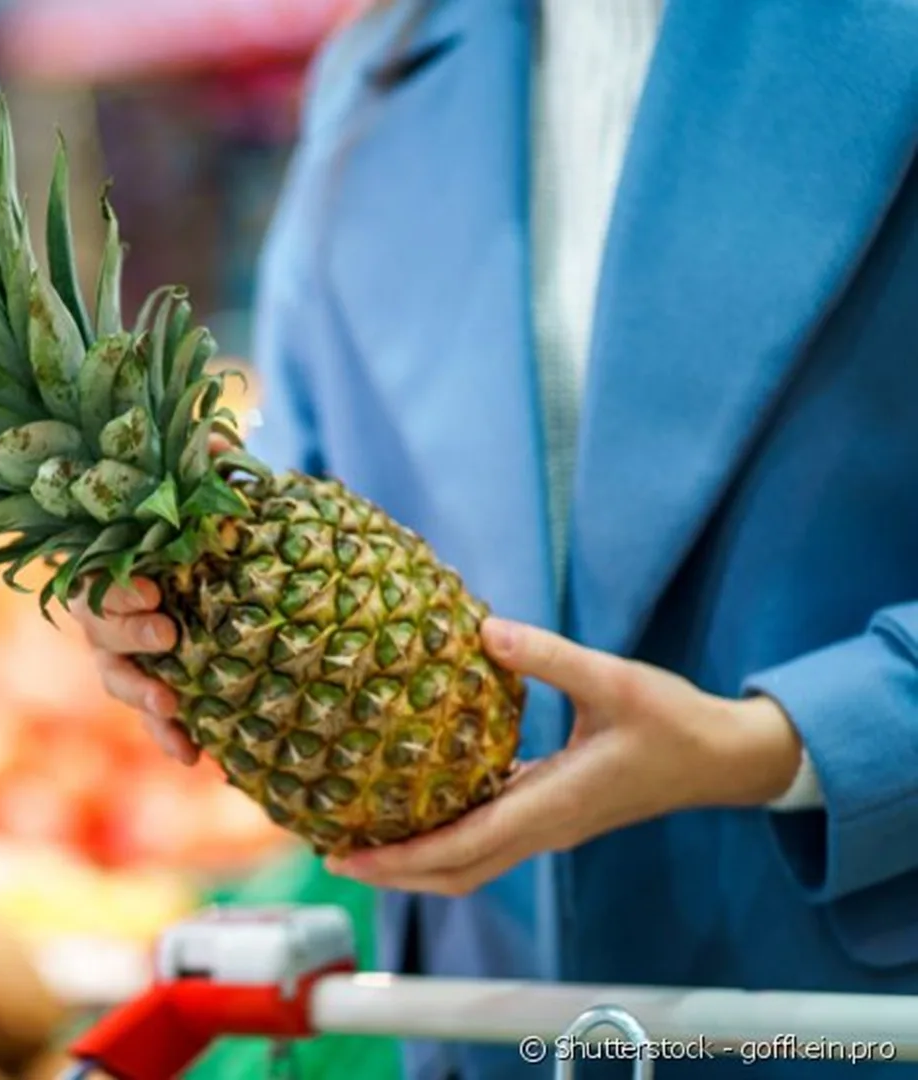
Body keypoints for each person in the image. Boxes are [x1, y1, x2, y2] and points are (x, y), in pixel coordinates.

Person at [71, 1, 918, 1078]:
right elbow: (296, 473)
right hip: (490, 1013)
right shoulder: (374, 78)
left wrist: (784, 745)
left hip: (841, 1007)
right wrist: (166, 604)